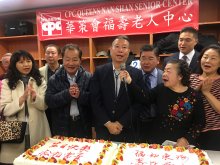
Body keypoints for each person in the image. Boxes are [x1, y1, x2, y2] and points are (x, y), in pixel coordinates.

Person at [121, 59, 205, 147]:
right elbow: (144, 97)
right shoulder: (161, 89)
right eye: (164, 70)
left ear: (180, 76)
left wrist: (187, 139)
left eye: (168, 71)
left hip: (181, 145)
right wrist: (130, 81)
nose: (164, 74)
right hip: (157, 142)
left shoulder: (193, 96)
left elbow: (199, 123)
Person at [90, 35, 144, 143]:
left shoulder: (136, 73)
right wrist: (108, 123)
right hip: (104, 129)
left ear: (128, 52)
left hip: (127, 129)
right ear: (111, 50)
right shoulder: (100, 71)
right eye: (117, 46)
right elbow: (94, 100)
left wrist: (121, 123)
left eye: (124, 47)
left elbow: (138, 103)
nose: (120, 50)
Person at [0, 50, 51, 164]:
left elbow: (44, 106)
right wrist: (22, 99)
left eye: (28, 61)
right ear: (14, 64)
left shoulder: (39, 80)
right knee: (17, 161)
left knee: (37, 159)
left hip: (38, 127)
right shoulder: (7, 82)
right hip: (15, 128)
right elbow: (4, 109)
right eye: (21, 62)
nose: (26, 65)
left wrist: (34, 97)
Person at [45, 43, 92, 138]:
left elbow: (94, 100)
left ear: (80, 60)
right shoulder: (54, 79)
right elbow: (49, 101)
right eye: (67, 59)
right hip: (61, 126)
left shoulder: (88, 77)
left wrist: (80, 95)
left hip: (83, 125)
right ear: (62, 60)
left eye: (75, 59)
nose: (71, 63)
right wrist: (67, 94)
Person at [190, 44, 220, 151]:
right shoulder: (191, 78)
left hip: (215, 132)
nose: (207, 61)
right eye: (205, 57)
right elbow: (185, 104)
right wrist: (196, 92)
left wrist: (206, 93)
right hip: (192, 131)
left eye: (213, 58)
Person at [137, 44, 163, 143]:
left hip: (158, 123)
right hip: (137, 122)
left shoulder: (165, 77)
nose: (146, 62)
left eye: (151, 58)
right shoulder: (133, 76)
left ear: (158, 60)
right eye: (143, 58)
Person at [39, 44, 62, 134]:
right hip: (46, 108)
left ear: (59, 56)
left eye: (53, 53)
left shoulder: (65, 69)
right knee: (48, 133)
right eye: (47, 53)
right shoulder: (39, 71)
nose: (50, 55)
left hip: (61, 107)